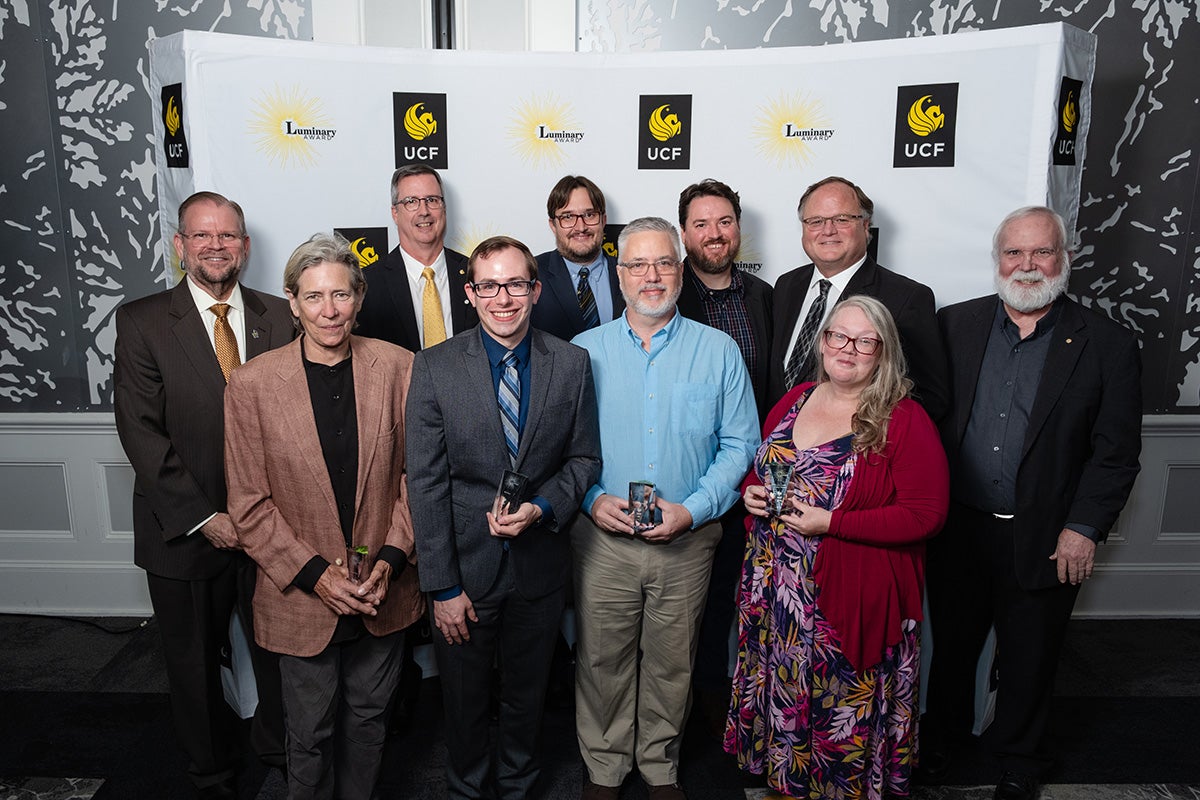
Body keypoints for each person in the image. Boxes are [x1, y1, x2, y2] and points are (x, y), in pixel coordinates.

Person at [923, 206, 1142, 800]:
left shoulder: (1107, 344)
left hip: (1047, 533)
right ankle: (939, 742)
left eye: (1041, 252)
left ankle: (1021, 761)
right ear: (997, 260)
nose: (1027, 266)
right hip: (959, 528)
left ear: (1063, 259)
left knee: (1031, 657)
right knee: (950, 649)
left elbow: (1116, 453)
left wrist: (1084, 528)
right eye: (1014, 253)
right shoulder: (954, 326)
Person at [224, 234, 424, 800]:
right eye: (314, 297)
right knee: (307, 736)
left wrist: (390, 558)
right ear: (292, 302)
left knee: (368, 726)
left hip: (383, 591)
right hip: (301, 598)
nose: (329, 310)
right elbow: (248, 503)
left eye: (340, 294)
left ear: (359, 298)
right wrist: (318, 576)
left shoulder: (399, 367)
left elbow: (418, 480)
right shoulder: (253, 384)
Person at [726, 294, 949, 800]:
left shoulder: (903, 418)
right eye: (838, 336)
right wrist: (751, 493)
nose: (848, 348)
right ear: (822, 341)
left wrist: (833, 522)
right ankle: (785, 777)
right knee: (784, 686)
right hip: (775, 593)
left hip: (846, 595)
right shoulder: (796, 397)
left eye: (864, 340)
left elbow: (926, 515)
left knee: (838, 703)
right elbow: (762, 469)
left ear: (883, 351)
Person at [570, 217, 759, 800]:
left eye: (664, 264)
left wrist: (697, 509)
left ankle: (658, 765)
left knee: (674, 660)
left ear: (681, 270)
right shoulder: (583, 352)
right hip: (603, 540)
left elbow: (741, 445)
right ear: (618, 273)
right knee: (602, 658)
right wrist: (591, 500)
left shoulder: (718, 350)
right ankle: (604, 767)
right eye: (637, 265)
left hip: (687, 537)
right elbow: (559, 447)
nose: (652, 276)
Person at [406, 235, 601, 800]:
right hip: (464, 572)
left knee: (527, 697)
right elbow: (425, 482)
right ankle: (467, 789)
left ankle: (518, 787)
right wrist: (442, 586)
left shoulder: (571, 363)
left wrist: (543, 508)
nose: (504, 298)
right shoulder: (434, 367)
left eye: (516, 283)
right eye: (489, 286)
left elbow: (585, 458)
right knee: (463, 703)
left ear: (535, 290)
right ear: (469, 293)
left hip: (539, 568)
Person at [113, 190, 292, 798]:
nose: (217, 246)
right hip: (185, 529)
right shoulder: (141, 322)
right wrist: (205, 516)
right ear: (181, 246)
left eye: (228, 236)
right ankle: (212, 773)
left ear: (244, 246)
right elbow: (141, 432)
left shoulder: (280, 315)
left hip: (272, 526)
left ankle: (279, 749)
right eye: (203, 236)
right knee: (193, 665)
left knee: (278, 650)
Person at [673, 178, 774, 731]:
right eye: (701, 224)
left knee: (728, 604)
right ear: (684, 232)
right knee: (680, 611)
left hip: (751, 483)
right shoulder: (664, 291)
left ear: (739, 227)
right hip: (685, 483)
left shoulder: (766, 297)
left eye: (724, 221)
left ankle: (719, 710)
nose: (715, 234)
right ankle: (677, 714)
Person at [768, 176, 948, 421]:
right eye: (816, 221)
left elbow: (928, 398)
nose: (828, 230)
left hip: (853, 450)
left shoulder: (908, 298)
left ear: (865, 226)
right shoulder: (786, 286)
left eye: (842, 219)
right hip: (775, 445)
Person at [356, 164, 477, 350]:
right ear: (395, 213)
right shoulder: (367, 285)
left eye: (432, 200)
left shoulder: (475, 273)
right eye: (411, 201)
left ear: (443, 208)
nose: (424, 211)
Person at [532, 175, 624, 340]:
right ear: (553, 225)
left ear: (603, 220)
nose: (581, 227)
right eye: (568, 217)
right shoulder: (532, 273)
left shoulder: (628, 272)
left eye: (589, 215)